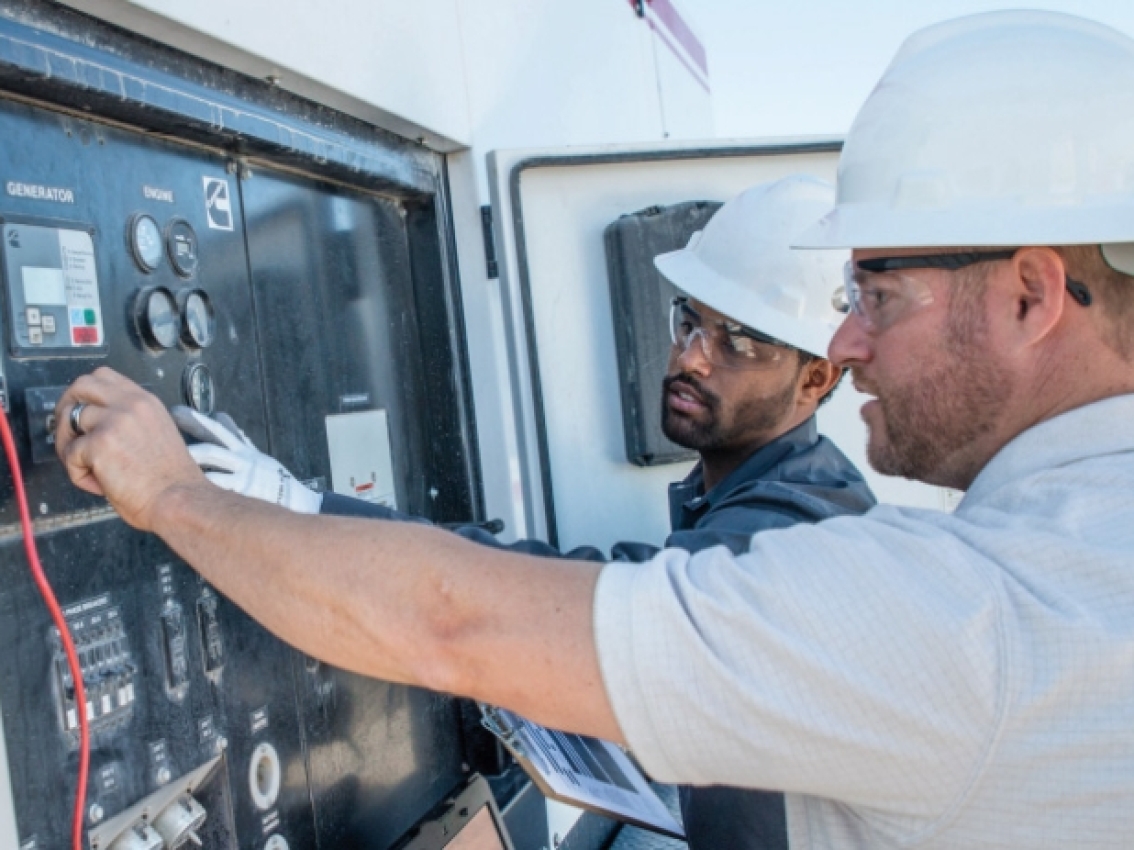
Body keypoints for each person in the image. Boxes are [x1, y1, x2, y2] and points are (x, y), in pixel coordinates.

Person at [53, 10, 1134, 847]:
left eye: (878, 295)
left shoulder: (965, 614)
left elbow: (458, 622)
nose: (853, 344)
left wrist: (179, 496)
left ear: (1033, 297)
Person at [176, 175, 876, 850]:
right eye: (690, 321)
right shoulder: (753, 493)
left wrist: (289, 505)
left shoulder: (790, 531)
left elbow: (520, 608)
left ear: (815, 377)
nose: (691, 358)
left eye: (739, 341)